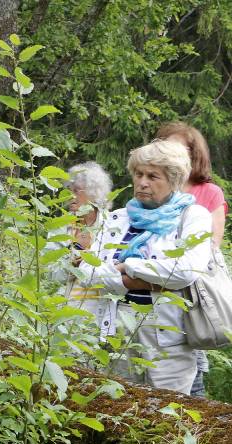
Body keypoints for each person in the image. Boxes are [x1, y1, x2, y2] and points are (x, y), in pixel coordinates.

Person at [69, 140, 212, 394]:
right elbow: (88, 271)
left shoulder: (192, 216)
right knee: (118, 409)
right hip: (115, 332)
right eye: (139, 174)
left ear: (174, 179)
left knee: (167, 417)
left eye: (153, 176)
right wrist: (141, 279)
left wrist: (129, 265)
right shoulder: (119, 218)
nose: (143, 182)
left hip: (167, 340)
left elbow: (187, 271)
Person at [155, 121, 228, 396]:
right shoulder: (153, 185)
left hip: (190, 286)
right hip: (152, 286)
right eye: (163, 145)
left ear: (193, 152)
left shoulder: (208, 192)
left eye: (177, 146)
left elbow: (212, 245)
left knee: (191, 357)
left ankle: (194, 425)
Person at [46, 162, 114, 317]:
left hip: (102, 310)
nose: (70, 196)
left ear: (94, 193)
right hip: (65, 310)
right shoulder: (60, 227)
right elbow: (49, 274)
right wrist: (73, 260)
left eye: (76, 191)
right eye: (69, 190)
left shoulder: (112, 225)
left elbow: (114, 271)